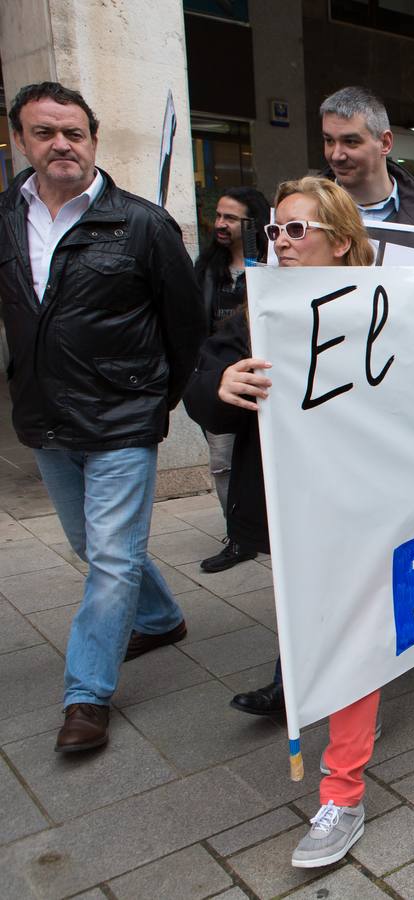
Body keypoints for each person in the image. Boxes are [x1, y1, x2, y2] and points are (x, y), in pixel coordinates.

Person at [0, 82, 207, 753]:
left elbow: (186, 326)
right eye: (44, 132)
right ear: (19, 141)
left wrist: (155, 399)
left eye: (74, 132)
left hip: (123, 418)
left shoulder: (142, 224)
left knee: (112, 557)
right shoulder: (6, 219)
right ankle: (162, 616)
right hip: (45, 420)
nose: (61, 144)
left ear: (93, 140)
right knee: (95, 548)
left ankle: (86, 695)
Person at [185, 177, 378, 868]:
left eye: (297, 230)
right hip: (295, 513)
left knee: (356, 637)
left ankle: (342, 794)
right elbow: (203, 383)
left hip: (367, 506)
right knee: (322, 627)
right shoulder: (254, 312)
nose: (280, 242)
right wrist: (220, 385)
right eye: (275, 231)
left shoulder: (391, 308)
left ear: (341, 241)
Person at [194, 186, 270, 574]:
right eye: (218, 216)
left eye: (231, 218)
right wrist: (210, 377)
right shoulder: (207, 269)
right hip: (223, 379)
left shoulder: (271, 269)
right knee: (223, 464)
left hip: (265, 387)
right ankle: (238, 535)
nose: (221, 224)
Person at [318, 86, 414, 266]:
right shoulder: (300, 216)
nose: (336, 155)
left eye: (350, 141)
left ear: (385, 143)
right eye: (329, 140)